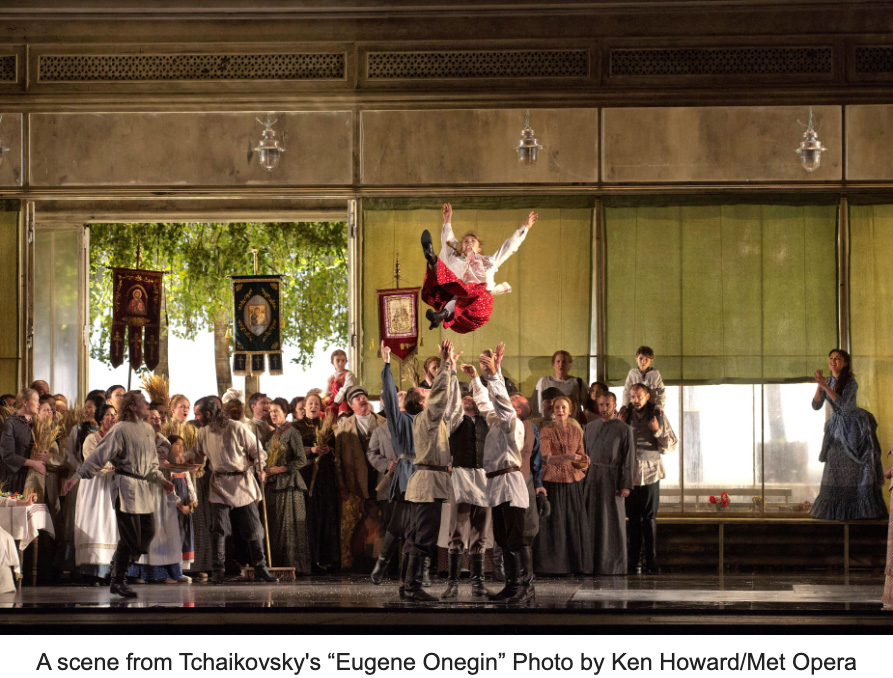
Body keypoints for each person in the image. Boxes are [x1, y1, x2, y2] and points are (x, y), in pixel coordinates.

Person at [64, 392, 176, 598]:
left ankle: (116, 567)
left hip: (144, 488)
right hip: (126, 487)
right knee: (131, 537)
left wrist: (161, 480)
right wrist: (77, 476)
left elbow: (151, 465)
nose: (146, 404)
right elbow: (99, 456)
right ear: (132, 407)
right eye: (143, 402)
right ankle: (118, 580)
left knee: (148, 533)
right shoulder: (120, 429)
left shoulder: (146, 430)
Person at [464, 349, 535, 604]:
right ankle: (512, 584)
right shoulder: (498, 422)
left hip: (510, 482)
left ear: (518, 410)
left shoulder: (511, 423)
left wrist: (494, 375)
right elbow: (485, 405)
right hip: (496, 482)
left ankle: (525, 587)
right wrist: (476, 379)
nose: (505, 401)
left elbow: (502, 404)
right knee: (504, 539)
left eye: (512, 401)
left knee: (515, 538)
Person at [189, 396, 275, 584]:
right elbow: (196, 453)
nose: (196, 418)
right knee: (219, 529)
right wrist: (181, 458)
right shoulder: (203, 432)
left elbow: (257, 450)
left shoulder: (236, 427)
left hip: (241, 482)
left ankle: (260, 567)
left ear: (208, 414)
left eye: (198, 415)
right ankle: (218, 571)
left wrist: (260, 468)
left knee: (253, 528)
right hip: (218, 483)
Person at [402, 339, 462, 601]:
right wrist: (445, 363)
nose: (429, 392)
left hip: (428, 482)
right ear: (422, 403)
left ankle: (407, 586)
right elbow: (439, 397)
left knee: (417, 535)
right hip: (427, 484)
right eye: (425, 394)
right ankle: (413, 587)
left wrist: (452, 370)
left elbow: (446, 400)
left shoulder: (426, 419)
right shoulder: (426, 418)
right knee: (423, 537)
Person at [421, 202, 538, 333]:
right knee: (443, 269)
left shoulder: (489, 261)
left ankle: (443, 312)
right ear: (461, 247)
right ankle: (431, 259)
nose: (469, 242)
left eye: (472, 241)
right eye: (465, 241)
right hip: (456, 298)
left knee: (472, 289)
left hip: (478, 307)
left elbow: (508, 247)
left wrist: (525, 227)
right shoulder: (455, 258)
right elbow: (447, 242)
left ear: (479, 248)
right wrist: (447, 220)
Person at [372, 343, 428, 591]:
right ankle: (383, 565)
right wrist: (386, 364)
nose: (402, 396)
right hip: (407, 472)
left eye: (406, 393)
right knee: (399, 522)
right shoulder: (399, 419)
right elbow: (389, 395)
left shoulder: (425, 419)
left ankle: (413, 575)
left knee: (418, 525)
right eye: (401, 395)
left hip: (424, 473)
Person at [810, 349, 887, 521]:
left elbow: (843, 405)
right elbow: (816, 406)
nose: (833, 361)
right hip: (836, 428)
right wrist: (820, 385)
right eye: (831, 358)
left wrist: (824, 386)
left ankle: (860, 511)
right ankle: (837, 511)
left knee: (856, 470)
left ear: (845, 363)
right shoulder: (828, 380)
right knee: (834, 468)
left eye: (838, 359)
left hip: (854, 428)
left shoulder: (851, 382)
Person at [619, 383, 677, 575]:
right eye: (633, 396)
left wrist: (657, 431)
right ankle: (632, 561)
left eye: (639, 396)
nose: (636, 400)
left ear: (647, 396)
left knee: (649, 518)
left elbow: (671, 446)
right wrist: (620, 423)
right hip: (630, 473)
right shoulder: (624, 415)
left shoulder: (657, 415)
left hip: (651, 471)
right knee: (633, 518)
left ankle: (651, 561)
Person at [533, 395, 591, 575]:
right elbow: (545, 457)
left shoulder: (575, 431)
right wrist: (567, 457)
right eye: (557, 407)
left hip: (573, 482)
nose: (560, 411)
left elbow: (581, 454)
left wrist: (584, 460)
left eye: (563, 408)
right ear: (552, 410)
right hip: (553, 482)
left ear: (570, 411)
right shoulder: (546, 431)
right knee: (554, 524)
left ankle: (575, 566)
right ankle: (551, 567)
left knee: (573, 523)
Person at [442, 388, 491, 600]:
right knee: (457, 529)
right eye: (465, 395)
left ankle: (478, 583)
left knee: (481, 530)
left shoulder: (486, 421)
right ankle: (453, 583)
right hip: (461, 475)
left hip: (483, 476)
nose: (469, 398)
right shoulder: (454, 420)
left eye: (472, 395)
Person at [583, 391, 636, 575]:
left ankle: (613, 566)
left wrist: (626, 484)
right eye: (601, 405)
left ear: (614, 406)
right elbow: (584, 456)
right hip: (592, 478)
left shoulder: (624, 429)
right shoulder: (589, 428)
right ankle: (591, 564)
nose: (604, 409)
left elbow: (629, 459)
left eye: (608, 405)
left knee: (611, 521)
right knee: (592, 520)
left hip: (612, 479)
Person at [334, 385, 386, 571]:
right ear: (350, 405)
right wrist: (342, 486)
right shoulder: (343, 428)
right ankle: (349, 564)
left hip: (380, 481)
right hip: (354, 484)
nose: (362, 400)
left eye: (364, 397)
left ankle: (382, 563)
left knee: (382, 524)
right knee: (351, 525)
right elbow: (338, 460)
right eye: (357, 398)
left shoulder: (383, 422)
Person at [293, 392, 340, 572]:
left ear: (320, 409)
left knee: (326, 516)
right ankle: (310, 560)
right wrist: (311, 450)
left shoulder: (326, 426)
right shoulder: (296, 427)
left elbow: (335, 449)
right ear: (304, 407)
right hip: (306, 477)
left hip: (325, 477)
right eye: (310, 404)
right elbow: (293, 450)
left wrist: (328, 449)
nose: (313, 406)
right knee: (309, 517)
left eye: (316, 404)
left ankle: (327, 558)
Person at [265, 397, 311, 574]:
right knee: (275, 526)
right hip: (273, 486)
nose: (273, 414)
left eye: (276, 411)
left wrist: (279, 469)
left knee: (290, 525)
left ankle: (295, 565)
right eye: (270, 411)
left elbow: (301, 460)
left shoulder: (293, 433)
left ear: (285, 412)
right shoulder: (271, 435)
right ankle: (277, 565)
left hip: (290, 485)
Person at [0, 389, 49, 495]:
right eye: (35, 400)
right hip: (15, 479)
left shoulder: (36, 424)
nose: (38, 405)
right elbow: (7, 455)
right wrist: (33, 464)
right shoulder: (10, 424)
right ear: (25, 402)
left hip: (34, 478)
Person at [166, 435, 196, 573]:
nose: (181, 448)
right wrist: (179, 505)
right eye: (177, 444)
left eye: (182, 445)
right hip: (173, 508)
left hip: (185, 507)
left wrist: (192, 499)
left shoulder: (182, 466)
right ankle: (173, 569)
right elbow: (169, 489)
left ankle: (182, 570)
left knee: (185, 534)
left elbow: (189, 484)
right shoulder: (168, 466)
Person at [533, 350, 588, 419]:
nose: (561, 364)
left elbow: (586, 406)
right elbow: (538, 407)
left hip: (572, 424)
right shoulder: (544, 381)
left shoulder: (578, 383)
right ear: (553, 364)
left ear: (569, 365)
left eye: (564, 362)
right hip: (549, 424)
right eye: (558, 361)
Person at [622, 346, 666, 411]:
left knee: (659, 419)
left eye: (646, 359)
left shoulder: (655, 374)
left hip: (651, 406)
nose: (643, 362)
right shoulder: (632, 373)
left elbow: (661, 392)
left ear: (651, 361)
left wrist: (659, 407)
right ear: (636, 359)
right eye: (641, 359)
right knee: (623, 417)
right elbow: (626, 391)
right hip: (635, 406)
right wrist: (625, 404)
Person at [326, 349, 358, 419]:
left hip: (344, 401)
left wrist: (337, 401)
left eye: (343, 360)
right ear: (332, 362)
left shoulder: (348, 374)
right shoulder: (331, 378)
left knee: (343, 412)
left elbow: (345, 389)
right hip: (333, 403)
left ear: (346, 361)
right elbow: (327, 392)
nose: (341, 363)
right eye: (338, 361)